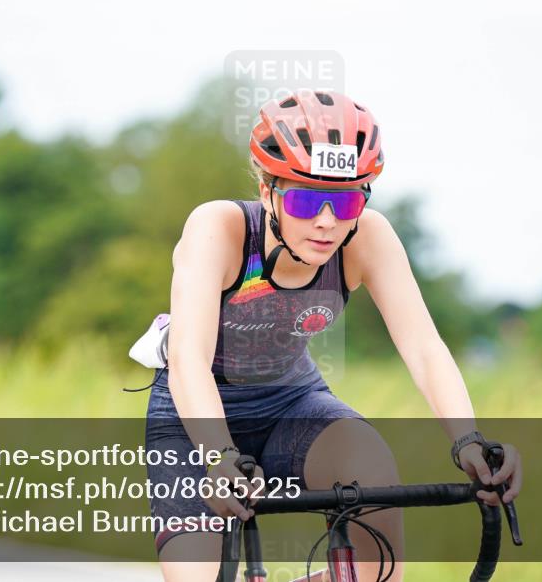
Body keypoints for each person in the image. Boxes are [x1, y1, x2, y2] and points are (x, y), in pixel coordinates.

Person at [142, 90, 522, 582]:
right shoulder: (220, 227)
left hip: (293, 404)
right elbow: (189, 361)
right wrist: (217, 457)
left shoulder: (368, 237)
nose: (326, 222)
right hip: (193, 415)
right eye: (303, 199)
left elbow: (424, 349)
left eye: (345, 202)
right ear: (267, 192)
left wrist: (469, 441)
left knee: (373, 493)